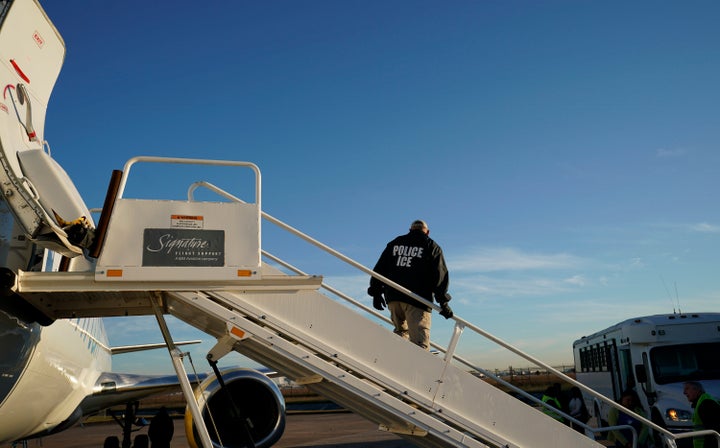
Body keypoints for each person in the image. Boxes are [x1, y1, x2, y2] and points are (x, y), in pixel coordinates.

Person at [368, 219, 453, 350]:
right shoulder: (431, 246)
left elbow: (380, 269)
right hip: (417, 299)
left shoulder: (395, 243)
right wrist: (443, 302)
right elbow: (440, 275)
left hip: (393, 297)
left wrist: (376, 293)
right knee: (419, 342)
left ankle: (397, 366)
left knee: (400, 334)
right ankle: (419, 369)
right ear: (427, 232)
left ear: (410, 230)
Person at [683, 381, 720, 448]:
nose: (684, 392)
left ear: (697, 390)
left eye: (687, 388)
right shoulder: (703, 402)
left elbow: (712, 432)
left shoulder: (706, 404)